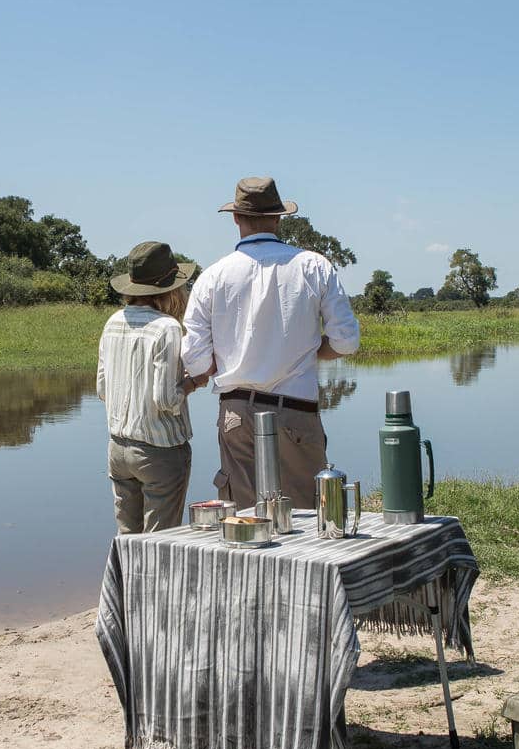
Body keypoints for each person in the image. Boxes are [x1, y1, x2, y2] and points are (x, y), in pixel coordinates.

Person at [181, 176, 360, 509]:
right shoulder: (313, 266)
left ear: (235, 217)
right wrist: (312, 350)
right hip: (295, 411)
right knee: (306, 517)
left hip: (236, 413)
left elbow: (195, 359)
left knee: (246, 521)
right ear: (279, 216)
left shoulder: (212, 276)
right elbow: (346, 341)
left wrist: (224, 357)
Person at [97, 240, 201, 532]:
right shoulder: (167, 327)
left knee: (127, 541)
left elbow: (102, 389)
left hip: (117, 448)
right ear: (170, 288)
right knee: (160, 545)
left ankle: (120, 581)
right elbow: (166, 399)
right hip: (160, 450)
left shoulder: (113, 322)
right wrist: (194, 382)